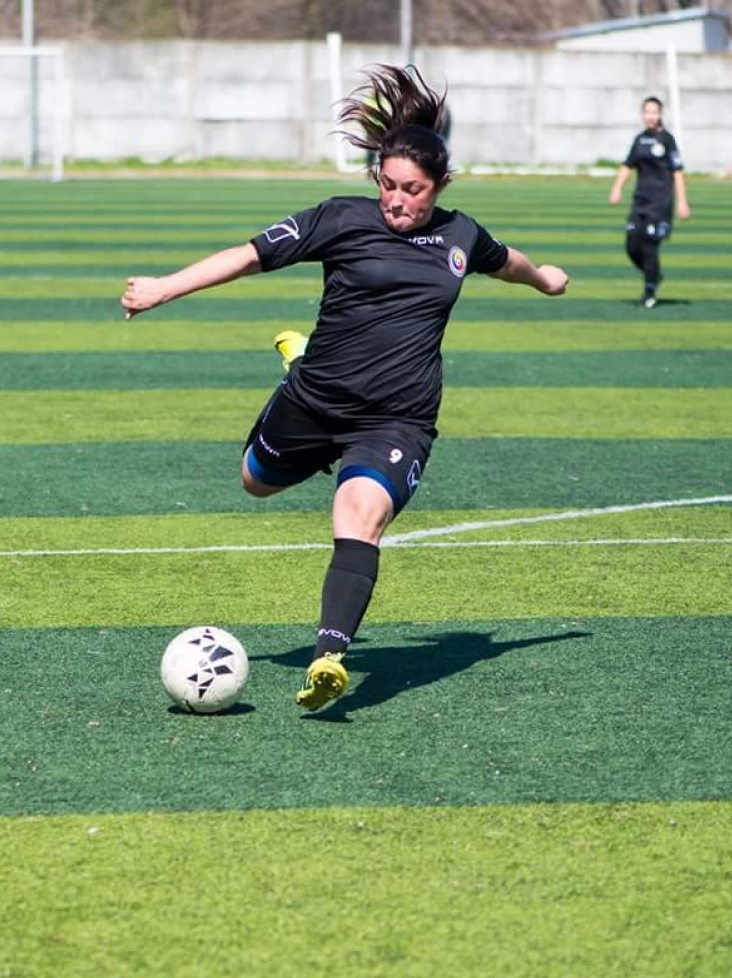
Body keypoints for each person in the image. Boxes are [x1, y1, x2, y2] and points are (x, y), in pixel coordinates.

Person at [120, 64, 568, 712]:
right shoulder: (339, 220)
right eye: (387, 185)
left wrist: (544, 279)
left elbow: (507, 261)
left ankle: (329, 656)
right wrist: (163, 287)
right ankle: (297, 362)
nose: (396, 200)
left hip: (396, 419)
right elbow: (248, 254)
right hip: (315, 400)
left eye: (412, 190)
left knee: (357, 516)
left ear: (440, 186)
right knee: (253, 480)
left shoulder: (461, 236)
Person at [609, 96, 690, 309]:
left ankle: (649, 291)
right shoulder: (640, 139)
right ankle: (653, 275)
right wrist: (617, 188)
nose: (650, 116)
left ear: (660, 114)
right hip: (640, 202)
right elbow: (628, 165)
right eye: (647, 112)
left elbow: (678, 172)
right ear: (642, 114)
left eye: (654, 112)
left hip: (660, 203)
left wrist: (682, 202)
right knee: (632, 245)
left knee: (649, 246)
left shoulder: (668, 140)